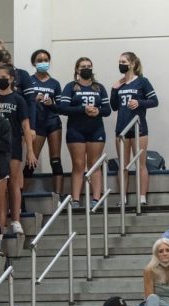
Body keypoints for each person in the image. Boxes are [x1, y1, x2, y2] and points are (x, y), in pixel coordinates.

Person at [57, 57, 111, 209]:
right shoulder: (71, 87)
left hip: (96, 130)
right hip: (76, 131)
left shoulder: (99, 87)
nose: (86, 68)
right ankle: (75, 200)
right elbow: (63, 108)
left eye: (89, 66)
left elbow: (108, 110)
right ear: (77, 70)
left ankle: (96, 199)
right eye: (83, 66)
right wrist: (83, 109)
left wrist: (98, 110)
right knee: (78, 164)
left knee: (94, 164)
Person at [111, 52, 159, 206]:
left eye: (123, 61)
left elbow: (154, 101)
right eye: (119, 61)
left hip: (139, 129)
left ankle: (142, 197)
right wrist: (114, 89)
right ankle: (122, 198)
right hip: (122, 129)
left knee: (140, 164)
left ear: (132, 64)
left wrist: (139, 103)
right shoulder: (120, 83)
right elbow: (113, 107)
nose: (121, 64)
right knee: (123, 165)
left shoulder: (142, 82)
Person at [0, 64, 36, 234]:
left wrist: (30, 151)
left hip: (14, 145)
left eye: (4, 76)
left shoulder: (18, 99)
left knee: (14, 184)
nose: (0, 79)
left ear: (11, 79)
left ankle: (16, 220)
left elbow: (25, 126)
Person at [28, 49, 64, 200]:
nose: (43, 62)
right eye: (39, 60)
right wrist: (34, 99)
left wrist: (52, 103)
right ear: (34, 63)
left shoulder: (54, 83)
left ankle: (59, 196)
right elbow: (24, 102)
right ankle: (23, 195)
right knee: (32, 161)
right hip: (37, 124)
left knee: (55, 159)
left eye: (45, 60)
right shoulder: (29, 80)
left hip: (53, 122)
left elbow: (61, 107)